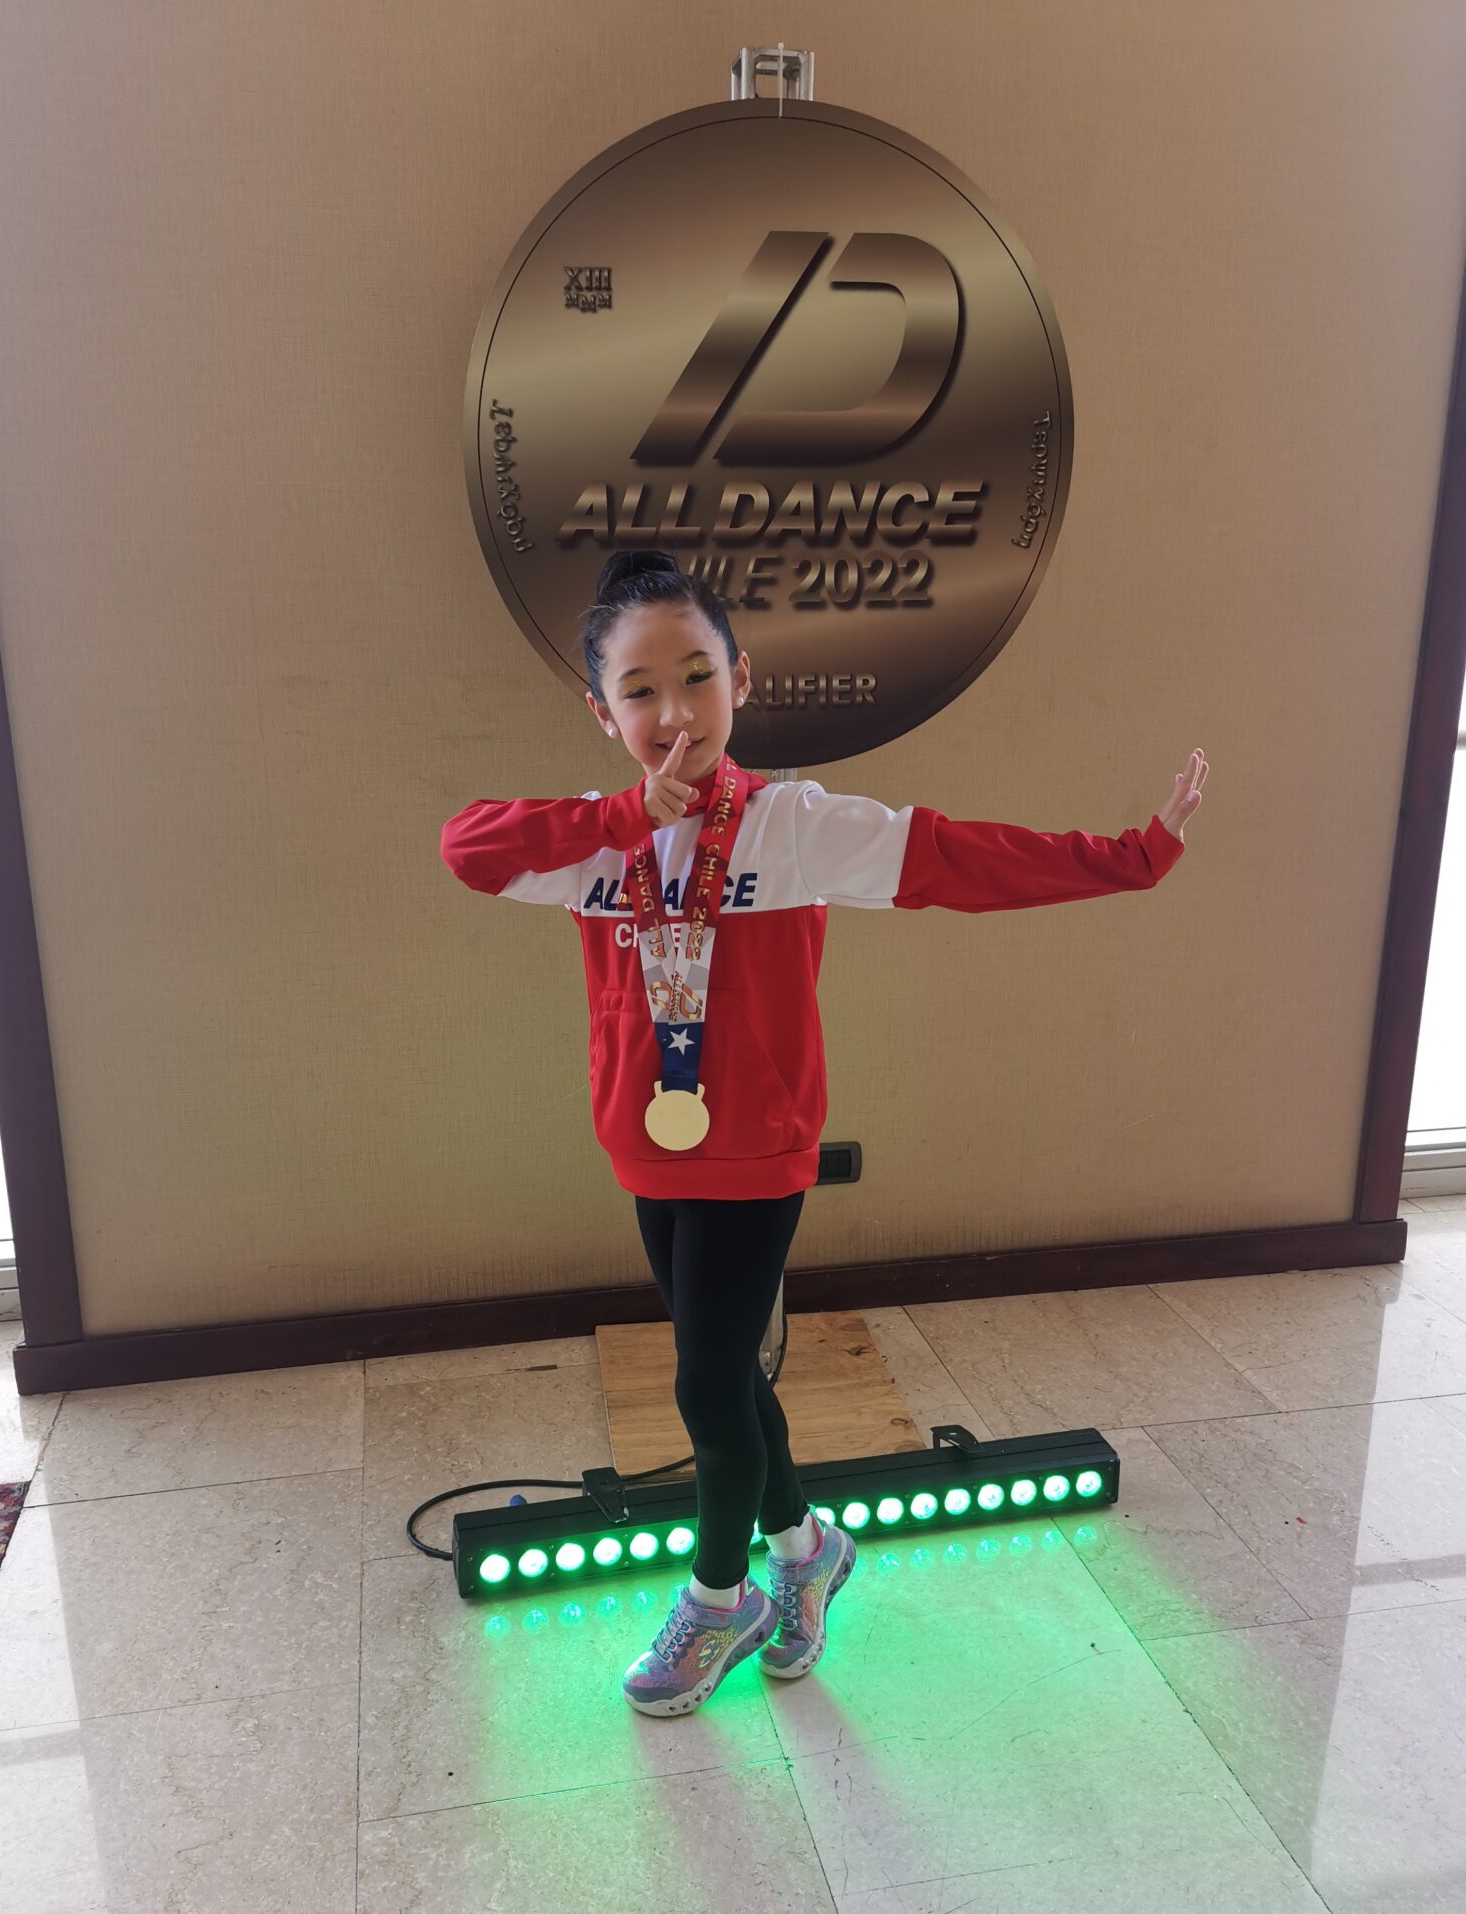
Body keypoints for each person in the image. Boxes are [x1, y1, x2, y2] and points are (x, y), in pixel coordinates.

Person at [441, 548, 1207, 1718]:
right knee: (726, 1372)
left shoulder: (792, 826)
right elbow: (467, 846)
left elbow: (961, 858)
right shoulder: (591, 841)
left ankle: (721, 1597)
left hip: (759, 1151)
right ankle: (808, 1549)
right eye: (640, 689)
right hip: (649, 1146)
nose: (673, 711)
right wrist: (622, 816)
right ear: (602, 712)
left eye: (697, 676)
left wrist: (1136, 856)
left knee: (706, 1381)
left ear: (740, 679)